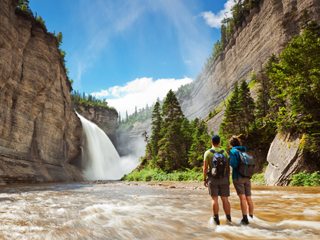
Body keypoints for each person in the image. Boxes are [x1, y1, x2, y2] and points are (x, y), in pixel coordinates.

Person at [203, 135, 231, 225]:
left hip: (212, 179)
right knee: (225, 199)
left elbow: (205, 167)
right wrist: (228, 178)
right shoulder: (224, 153)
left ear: (211, 142)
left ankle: (216, 220)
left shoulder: (207, 153)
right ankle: (228, 219)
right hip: (223, 178)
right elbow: (227, 167)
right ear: (219, 142)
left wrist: (204, 179)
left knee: (214, 199)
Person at [229, 135, 254, 225]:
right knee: (249, 198)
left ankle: (245, 219)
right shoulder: (244, 151)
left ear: (231, 144)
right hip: (247, 177)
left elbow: (234, 164)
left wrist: (229, 160)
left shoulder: (233, 152)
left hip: (238, 177)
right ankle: (251, 217)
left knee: (242, 199)